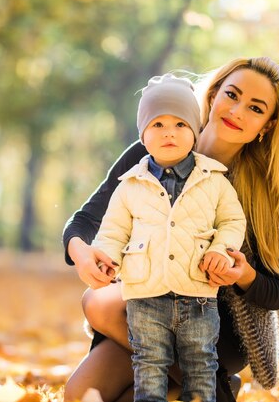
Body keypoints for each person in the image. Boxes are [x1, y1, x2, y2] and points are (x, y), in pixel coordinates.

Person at [62, 57, 279, 402]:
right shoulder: (154, 148)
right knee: (82, 394)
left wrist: (243, 274)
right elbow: (85, 221)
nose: (237, 111)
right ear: (213, 95)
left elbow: (278, 292)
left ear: (267, 126)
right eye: (232, 95)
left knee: (100, 305)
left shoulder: (264, 193)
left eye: (255, 108)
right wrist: (81, 251)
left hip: (214, 324)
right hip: (144, 309)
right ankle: (211, 390)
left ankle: (211, 383)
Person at [90, 73, 246, 402]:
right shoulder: (131, 184)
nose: (169, 133)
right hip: (145, 296)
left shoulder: (214, 180)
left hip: (198, 295)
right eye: (157, 125)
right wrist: (107, 256)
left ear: (195, 130)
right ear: (143, 135)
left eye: (180, 124)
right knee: (148, 364)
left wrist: (222, 249)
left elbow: (232, 220)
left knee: (200, 364)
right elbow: (113, 229)